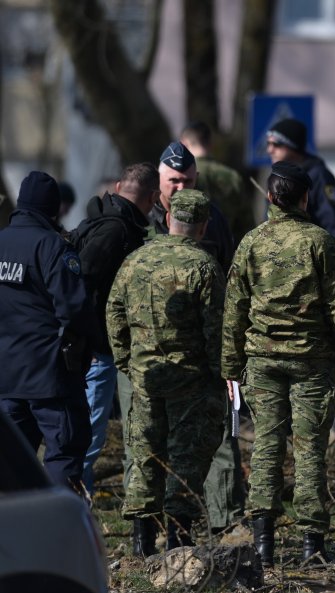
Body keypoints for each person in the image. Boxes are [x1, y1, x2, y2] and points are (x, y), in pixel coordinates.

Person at [221, 161, 335, 566]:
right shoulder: (320, 243)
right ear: (305, 198)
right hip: (312, 361)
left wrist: (230, 365)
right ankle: (311, 545)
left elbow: (235, 310)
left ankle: (263, 543)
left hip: (261, 361)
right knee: (310, 449)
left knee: (265, 444)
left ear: (269, 197)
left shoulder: (250, 243)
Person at [106, 189, 226, 557]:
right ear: (203, 226)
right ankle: (178, 539)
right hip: (190, 381)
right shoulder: (204, 267)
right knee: (185, 459)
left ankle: (142, 543)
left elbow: (114, 314)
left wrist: (127, 361)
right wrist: (219, 373)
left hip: (144, 377)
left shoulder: (135, 260)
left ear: (170, 218)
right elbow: (216, 330)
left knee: (144, 455)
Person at [0, 171, 98, 491]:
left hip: (6, 377)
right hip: (49, 377)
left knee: (10, 462)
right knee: (63, 454)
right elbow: (75, 309)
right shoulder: (53, 247)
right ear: (54, 209)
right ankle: (58, 532)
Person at [179, 122, 250, 533]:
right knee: (221, 427)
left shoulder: (163, 203)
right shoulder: (232, 181)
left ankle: (172, 519)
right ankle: (224, 516)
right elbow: (237, 242)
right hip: (218, 307)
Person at [72, 162, 158, 495]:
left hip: (95, 347)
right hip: (98, 350)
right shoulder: (116, 231)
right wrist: (92, 342)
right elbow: (85, 284)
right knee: (89, 438)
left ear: (120, 185)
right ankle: (75, 509)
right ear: (152, 196)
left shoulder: (103, 220)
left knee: (86, 435)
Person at [266, 118, 335, 258]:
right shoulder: (276, 177)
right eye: (268, 144)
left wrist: (330, 268)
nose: (270, 150)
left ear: (293, 146)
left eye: (276, 144)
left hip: (308, 265)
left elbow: (334, 226)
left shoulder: (319, 176)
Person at [152, 141, 235, 270]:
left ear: (196, 178)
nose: (181, 188)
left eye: (187, 181)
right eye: (174, 180)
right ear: (158, 178)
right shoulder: (144, 217)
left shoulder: (212, 217)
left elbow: (227, 268)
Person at [179, 121, 252, 242]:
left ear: (183, 144)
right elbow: (246, 224)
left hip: (189, 249)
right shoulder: (233, 177)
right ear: (210, 144)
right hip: (226, 251)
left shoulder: (181, 177)